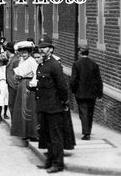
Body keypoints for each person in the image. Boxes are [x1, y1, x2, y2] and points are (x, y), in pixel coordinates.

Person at [35, 35, 70, 173]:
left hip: (54, 107)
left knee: (55, 136)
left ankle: (58, 163)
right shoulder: (42, 64)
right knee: (47, 136)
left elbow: (62, 86)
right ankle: (49, 161)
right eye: (41, 47)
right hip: (44, 106)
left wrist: (64, 102)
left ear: (51, 49)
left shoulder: (55, 65)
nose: (42, 50)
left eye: (44, 47)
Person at [70, 44, 103, 140]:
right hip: (92, 94)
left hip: (81, 93)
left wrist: (73, 90)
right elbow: (98, 79)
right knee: (90, 112)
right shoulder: (94, 64)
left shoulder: (76, 64)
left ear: (80, 52)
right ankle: (88, 130)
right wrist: (99, 94)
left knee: (83, 112)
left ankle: (86, 133)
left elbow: (73, 80)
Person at [10, 40, 39, 141]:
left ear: (29, 52)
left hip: (28, 85)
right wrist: (17, 77)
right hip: (22, 84)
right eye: (22, 52)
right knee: (21, 108)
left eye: (25, 52)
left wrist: (32, 84)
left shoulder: (32, 61)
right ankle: (24, 132)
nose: (24, 54)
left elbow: (36, 73)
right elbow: (19, 72)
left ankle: (33, 133)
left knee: (29, 108)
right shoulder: (22, 61)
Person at [4, 42, 19, 118]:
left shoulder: (15, 60)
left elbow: (17, 74)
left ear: (7, 51)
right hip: (10, 85)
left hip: (14, 86)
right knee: (11, 105)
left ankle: (15, 125)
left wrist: (15, 85)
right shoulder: (11, 59)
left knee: (13, 105)